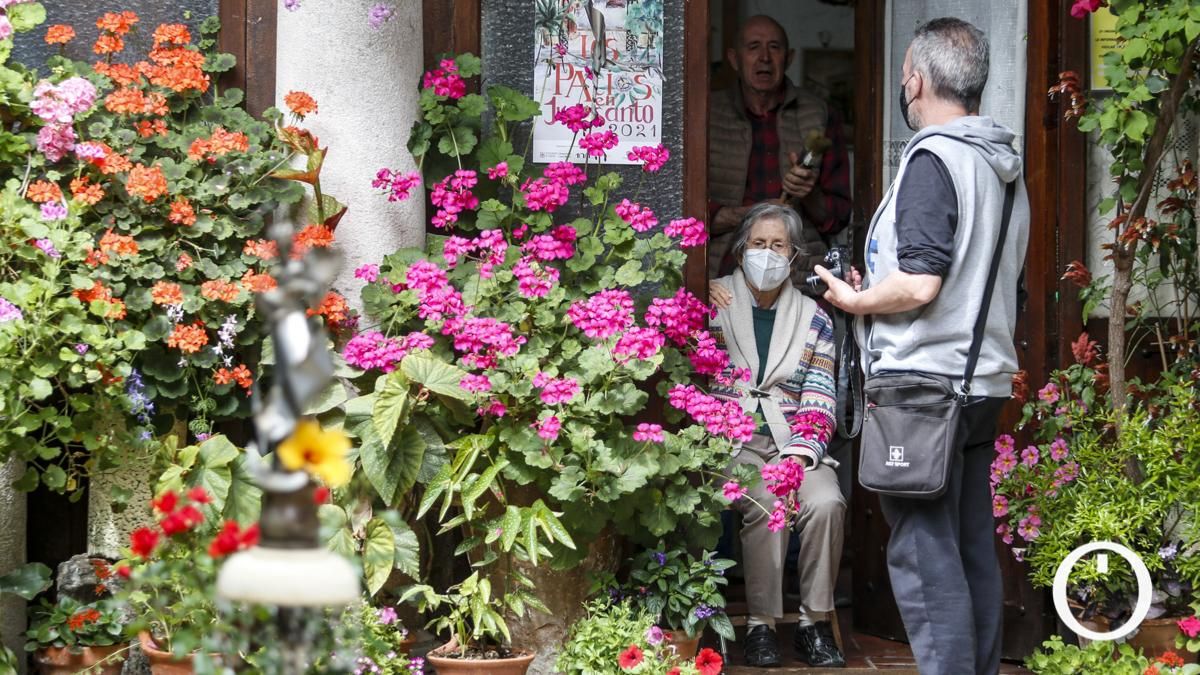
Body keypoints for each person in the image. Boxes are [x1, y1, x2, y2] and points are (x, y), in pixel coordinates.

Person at [814, 18, 1030, 675]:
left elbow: (923, 281)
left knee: (921, 552)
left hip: (924, 386)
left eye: (905, 73)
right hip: (979, 379)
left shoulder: (935, 158)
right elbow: (977, 275)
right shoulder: (1002, 165)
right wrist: (876, 285)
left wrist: (854, 301)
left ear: (917, 79)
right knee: (966, 546)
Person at [710, 203, 846, 668]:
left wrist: (802, 455)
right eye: (758, 244)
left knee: (826, 502)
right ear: (740, 248)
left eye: (778, 246)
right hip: (732, 443)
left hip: (794, 445)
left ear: (794, 256)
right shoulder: (714, 301)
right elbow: (691, 379)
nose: (767, 254)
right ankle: (762, 626)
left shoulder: (814, 317)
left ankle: (814, 623)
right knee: (767, 498)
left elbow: (821, 393)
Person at [707, 15, 852, 285]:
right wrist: (753, 214)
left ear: (789, 57)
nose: (764, 57)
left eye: (774, 47)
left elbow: (839, 216)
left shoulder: (819, 113)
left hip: (801, 272)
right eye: (753, 47)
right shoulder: (706, 113)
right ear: (734, 58)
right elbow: (684, 212)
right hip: (721, 271)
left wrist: (809, 194)